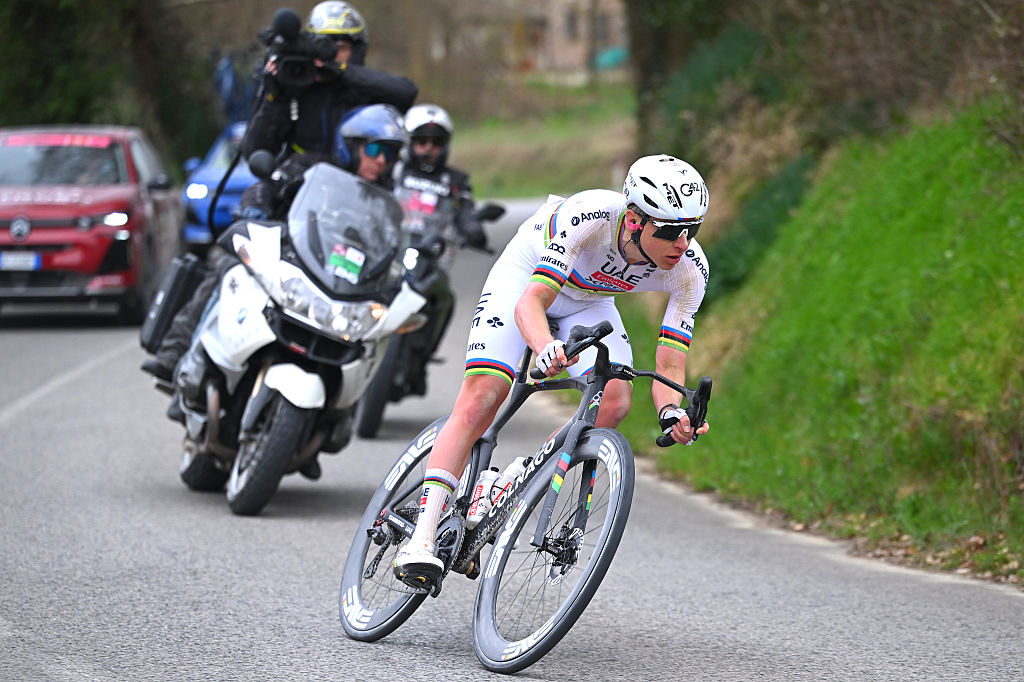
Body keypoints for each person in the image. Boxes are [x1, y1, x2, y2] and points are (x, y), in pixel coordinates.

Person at [393, 154, 713, 585]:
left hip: (591, 300)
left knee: (614, 400)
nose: (683, 243)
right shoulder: (591, 218)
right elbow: (531, 303)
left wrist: (672, 413)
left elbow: (670, 360)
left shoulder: (690, 270)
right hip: (528, 279)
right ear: (635, 221)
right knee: (485, 393)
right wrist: (544, 347)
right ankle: (424, 536)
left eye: (692, 230)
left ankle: (516, 480)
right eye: (672, 231)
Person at [142, 105, 409, 483]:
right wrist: (255, 210)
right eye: (375, 149)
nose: (382, 160)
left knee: (374, 332)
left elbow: (392, 248)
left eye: (391, 153)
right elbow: (265, 186)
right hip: (288, 260)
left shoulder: (386, 203)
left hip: (338, 286)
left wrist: (404, 270)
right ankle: (176, 352)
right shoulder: (311, 168)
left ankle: (329, 415)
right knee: (226, 268)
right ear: (352, 145)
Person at [238, 1, 417, 218]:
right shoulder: (296, 89)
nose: (329, 56)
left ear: (356, 51)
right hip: (302, 198)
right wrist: (275, 96)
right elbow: (255, 150)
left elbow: (406, 92)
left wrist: (341, 72)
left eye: (339, 48)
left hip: (361, 200)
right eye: (323, 47)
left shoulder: (363, 87)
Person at [396, 103, 487, 249]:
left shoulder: (457, 180)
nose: (429, 148)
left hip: (434, 256)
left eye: (436, 142)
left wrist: (473, 229)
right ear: (409, 142)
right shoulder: (395, 170)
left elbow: (465, 210)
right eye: (422, 141)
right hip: (394, 248)